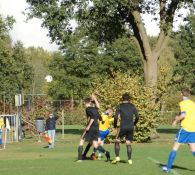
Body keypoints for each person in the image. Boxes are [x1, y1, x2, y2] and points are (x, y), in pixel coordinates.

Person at [162, 88, 195, 173]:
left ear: (181, 94)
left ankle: (168, 168)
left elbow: (183, 115)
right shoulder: (193, 104)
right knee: (193, 150)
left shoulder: (183, 103)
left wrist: (176, 120)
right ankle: (168, 168)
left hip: (185, 129)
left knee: (175, 148)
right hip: (193, 129)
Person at [77, 94, 110, 162]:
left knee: (81, 140)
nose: (84, 105)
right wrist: (95, 99)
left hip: (90, 127)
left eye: (84, 103)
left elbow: (92, 118)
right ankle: (106, 152)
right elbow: (100, 115)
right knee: (95, 145)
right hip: (96, 128)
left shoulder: (88, 109)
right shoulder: (95, 109)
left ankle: (80, 159)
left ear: (87, 103)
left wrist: (88, 126)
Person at [112, 92, 140, 165]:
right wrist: (134, 124)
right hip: (130, 127)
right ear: (129, 99)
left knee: (117, 141)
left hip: (122, 127)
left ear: (122, 99)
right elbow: (137, 117)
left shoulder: (119, 106)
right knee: (128, 143)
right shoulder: (132, 106)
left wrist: (115, 126)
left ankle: (117, 157)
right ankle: (129, 160)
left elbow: (115, 117)